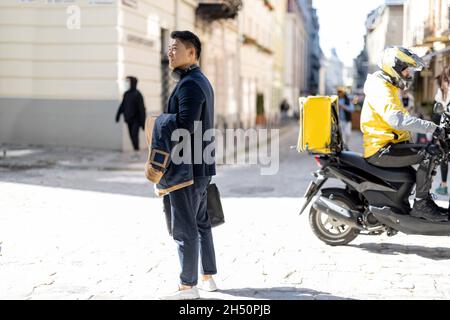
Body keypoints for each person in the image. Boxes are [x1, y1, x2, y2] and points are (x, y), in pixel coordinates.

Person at [360, 46, 448, 222]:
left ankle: (424, 201)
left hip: (389, 144)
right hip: (381, 149)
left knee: (431, 150)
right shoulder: (381, 88)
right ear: (396, 67)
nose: (409, 74)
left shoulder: (388, 86)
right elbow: (396, 120)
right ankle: (422, 205)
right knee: (429, 154)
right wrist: (432, 127)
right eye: (407, 69)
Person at [162, 30, 217, 300]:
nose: (169, 52)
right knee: (201, 223)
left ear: (192, 52)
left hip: (188, 168)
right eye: (169, 48)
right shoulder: (199, 80)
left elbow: (185, 125)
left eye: (174, 47)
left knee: (185, 228)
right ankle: (207, 277)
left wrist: (158, 121)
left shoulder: (190, 84)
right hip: (201, 164)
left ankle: (187, 287)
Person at [115, 76, 146, 159]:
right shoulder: (126, 94)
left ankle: (137, 152)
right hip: (128, 120)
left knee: (134, 135)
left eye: (128, 82)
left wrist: (143, 123)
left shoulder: (138, 94)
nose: (126, 84)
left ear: (132, 83)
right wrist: (118, 115)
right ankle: (135, 151)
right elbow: (122, 105)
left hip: (136, 120)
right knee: (131, 136)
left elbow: (142, 109)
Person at [434, 66, 450, 195]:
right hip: (445, 127)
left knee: (444, 156)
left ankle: (444, 185)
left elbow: (438, 107)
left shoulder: (443, 89)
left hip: (445, 127)